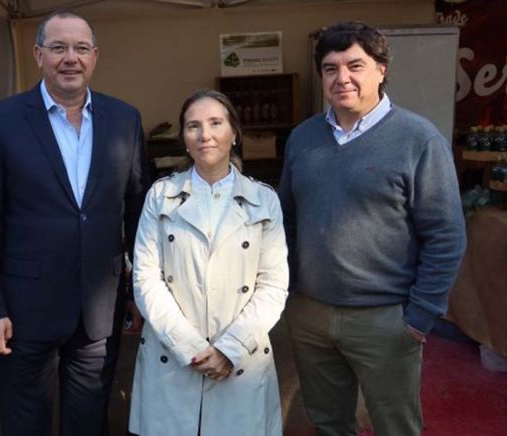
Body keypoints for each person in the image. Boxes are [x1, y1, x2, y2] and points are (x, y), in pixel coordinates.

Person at [0, 10, 149, 436]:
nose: (71, 58)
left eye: (81, 48)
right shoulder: (1, 120)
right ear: (38, 54)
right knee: (26, 424)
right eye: (59, 47)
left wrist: (139, 293)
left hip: (98, 313)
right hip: (22, 313)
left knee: (89, 424)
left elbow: (139, 212)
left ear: (95, 57)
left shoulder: (125, 119)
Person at [278, 21, 466, 436]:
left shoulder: (419, 139)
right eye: (330, 68)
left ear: (381, 69)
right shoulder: (302, 139)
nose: (342, 78)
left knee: (395, 426)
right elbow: (285, 220)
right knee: (327, 422)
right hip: (309, 313)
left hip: (385, 318)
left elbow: (446, 235)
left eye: (355, 65)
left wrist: (419, 317)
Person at [128, 89, 289, 436]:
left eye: (216, 123)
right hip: (173, 355)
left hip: (241, 358)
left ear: (235, 133)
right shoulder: (160, 196)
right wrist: (193, 348)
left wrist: (228, 350)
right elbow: (145, 278)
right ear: (183, 139)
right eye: (193, 126)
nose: (205, 135)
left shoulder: (264, 200)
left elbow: (273, 286)